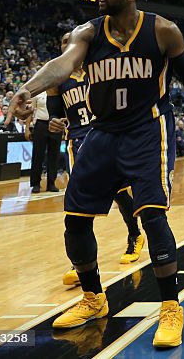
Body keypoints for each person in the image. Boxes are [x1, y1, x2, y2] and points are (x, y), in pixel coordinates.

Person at [6, 0, 184, 349]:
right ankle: (93, 298)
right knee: (76, 219)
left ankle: (170, 306)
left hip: (148, 130)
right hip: (102, 132)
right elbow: (63, 64)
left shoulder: (163, 30)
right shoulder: (89, 31)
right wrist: (27, 88)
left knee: (151, 213)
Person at [49, 32, 145, 288]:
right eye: (63, 43)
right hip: (76, 140)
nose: (68, 46)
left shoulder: (98, 68)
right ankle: (80, 262)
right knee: (78, 203)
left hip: (104, 135)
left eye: (72, 42)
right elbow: (54, 111)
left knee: (121, 192)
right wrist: (54, 121)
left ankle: (135, 235)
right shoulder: (58, 76)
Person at [28, 90, 61, 193]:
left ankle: (51, 183)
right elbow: (30, 111)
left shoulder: (58, 92)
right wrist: (27, 127)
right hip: (40, 124)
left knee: (54, 154)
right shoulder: (37, 93)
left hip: (55, 124)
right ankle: (36, 183)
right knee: (38, 154)